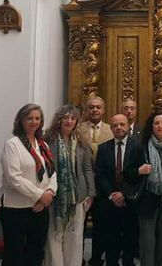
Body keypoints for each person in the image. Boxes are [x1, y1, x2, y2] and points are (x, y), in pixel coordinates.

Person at [0, 103, 56, 266]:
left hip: (40, 206)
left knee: (37, 250)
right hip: (15, 207)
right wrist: (40, 195)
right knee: (15, 253)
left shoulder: (42, 144)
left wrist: (50, 193)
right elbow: (13, 177)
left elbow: (52, 173)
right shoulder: (13, 144)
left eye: (37, 118)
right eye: (29, 118)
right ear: (21, 121)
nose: (34, 122)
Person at [44, 105, 95, 266]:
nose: (69, 121)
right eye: (65, 117)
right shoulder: (47, 140)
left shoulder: (81, 142)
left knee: (75, 237)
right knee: (54, 235)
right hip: (54, 196)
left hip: (77, 195)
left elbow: (87, 168)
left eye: (73, 118)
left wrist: (91, 193)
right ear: (59, 120)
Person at [126, 111, 162, 266]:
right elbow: (127, 174)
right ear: (151, 126)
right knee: (147, 244)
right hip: (146, 202)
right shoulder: (140, 146)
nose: (160, 126)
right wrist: (138, 171)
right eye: (156, 123)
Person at [95, 114, 139, 266]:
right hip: (109, 202)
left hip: (130, 201)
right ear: (111, 128)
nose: (119, 127)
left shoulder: (138, 146)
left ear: (128, 126)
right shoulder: (103, 148)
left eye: (122, 124)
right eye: (115, 125)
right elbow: (100, 175)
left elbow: (139, 175)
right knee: (110, 239)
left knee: (129, 238)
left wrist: (124, 194)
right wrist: (112, 194)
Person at [76, 96, 113, 266]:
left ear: (103, 110)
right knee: (79, 226)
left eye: (98, 107)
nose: (95, 110)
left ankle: (97, 258)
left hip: (104, 186)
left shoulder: (110, 129)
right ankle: (77, 258)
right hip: (82, 185)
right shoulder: (78, 129)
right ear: (87, 110)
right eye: (91, 107)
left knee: (102, 226)